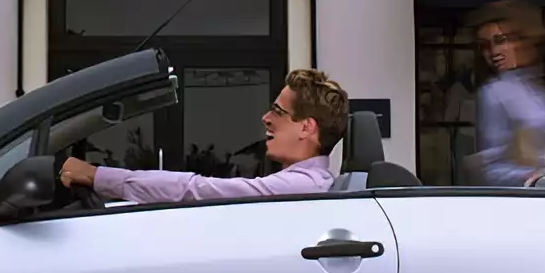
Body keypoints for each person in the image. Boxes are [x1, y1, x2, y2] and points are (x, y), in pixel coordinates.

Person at [59, 68, 348, 204]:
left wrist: (97, 176)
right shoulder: (305, 184)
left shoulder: (299, 187)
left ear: (306, 127)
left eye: (278, 111)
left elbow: (196, 191)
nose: (266, 118)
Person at [467, 0, 545, 187]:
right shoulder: (494, 93)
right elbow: (490, 169)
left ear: (523, 40)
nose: (493, 52)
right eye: (485, 46)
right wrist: (536, 177)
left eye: (501, 41)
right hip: (523, 195)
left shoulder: (539, 91)